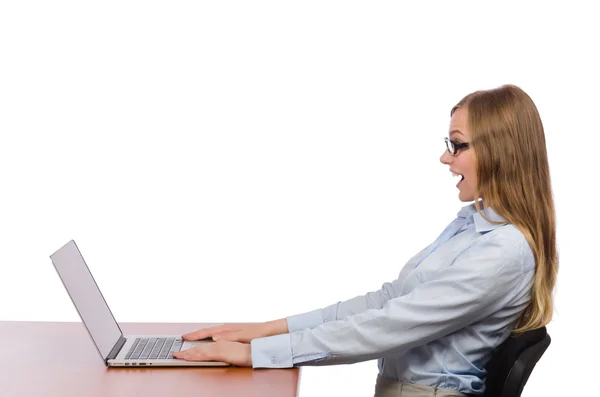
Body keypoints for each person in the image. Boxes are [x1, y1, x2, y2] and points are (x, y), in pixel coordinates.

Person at [173, 84, 558, 397]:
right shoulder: (472, 224)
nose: (445, 157)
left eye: (457, 144)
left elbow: (387, 326)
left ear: (498, 152)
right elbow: (388, 300)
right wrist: (268, 329)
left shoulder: (503, 251)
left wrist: (259, 354)